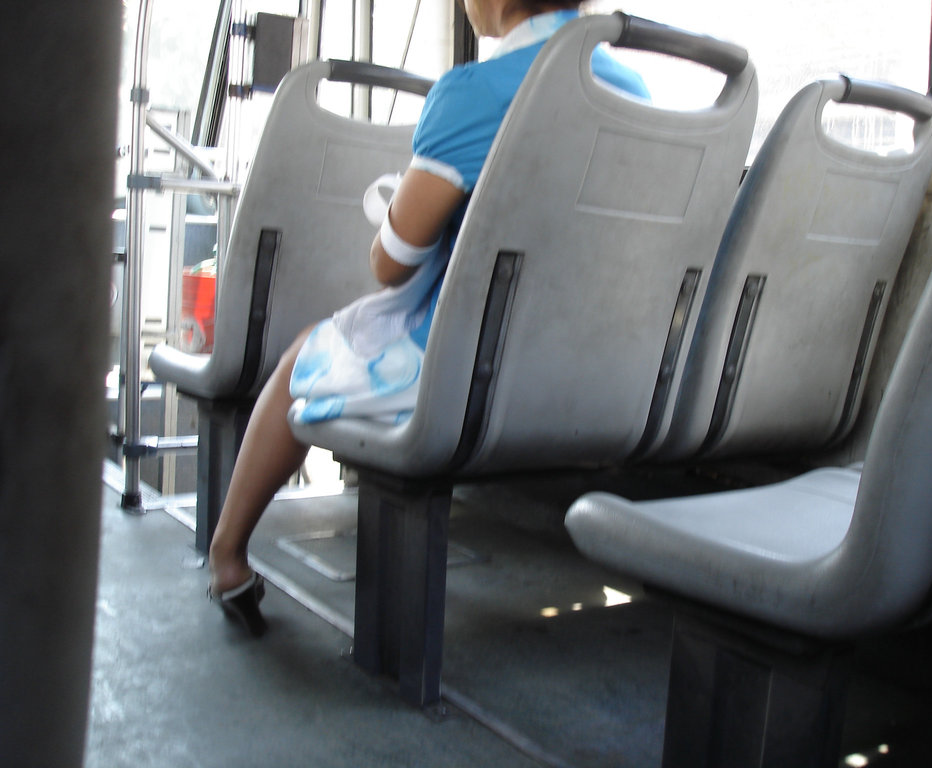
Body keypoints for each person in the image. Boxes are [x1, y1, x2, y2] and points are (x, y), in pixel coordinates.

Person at [207, 0, 648, 636]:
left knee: (302, 356)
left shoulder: (474, 93)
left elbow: (391, 265)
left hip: (475, 380)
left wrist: (393, 217)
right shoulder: (634, 89)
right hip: (605, 376)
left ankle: (228, 557)